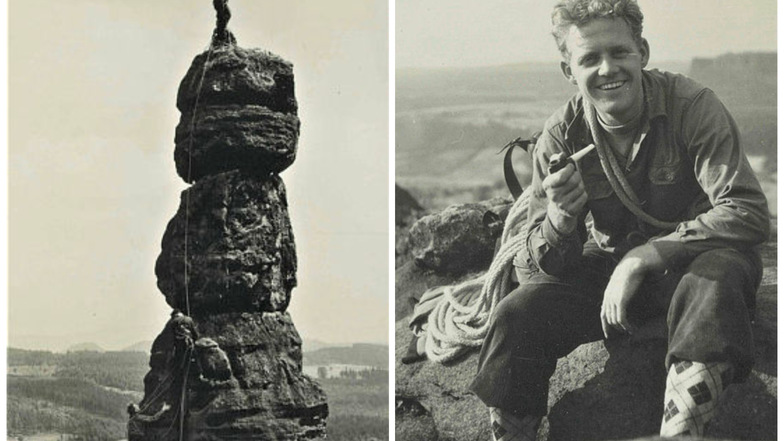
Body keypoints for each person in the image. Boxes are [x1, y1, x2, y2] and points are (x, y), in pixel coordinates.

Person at [468, 0, 770, 439]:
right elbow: (530, 269)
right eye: (589, 58)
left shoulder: (693, 106)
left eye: (619, 52)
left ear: (642, 52)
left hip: (693, 271)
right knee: (519, 313)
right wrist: (560, 220)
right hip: (607, 274)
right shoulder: (561, 133)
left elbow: (745, 210)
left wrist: (646, 256)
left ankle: (681, 433)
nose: (608, 69)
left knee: (717, 275)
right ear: (569, 71)